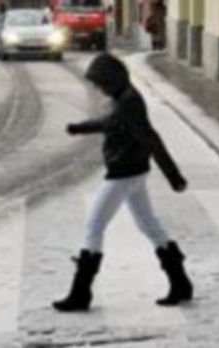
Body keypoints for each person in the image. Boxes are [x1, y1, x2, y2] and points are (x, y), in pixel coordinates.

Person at [53, 53, 193, 312]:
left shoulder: (129, 102)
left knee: (94, 225)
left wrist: (174, 176)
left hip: (124, 173)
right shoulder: (124, 96)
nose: (99, 89)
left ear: (112, 78)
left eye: (100, 83)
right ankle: (181, 283)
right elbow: (110, 123)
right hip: (133, 172)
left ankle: (80, 293)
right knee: (150, 227)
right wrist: (79, 128)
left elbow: (151, 138)